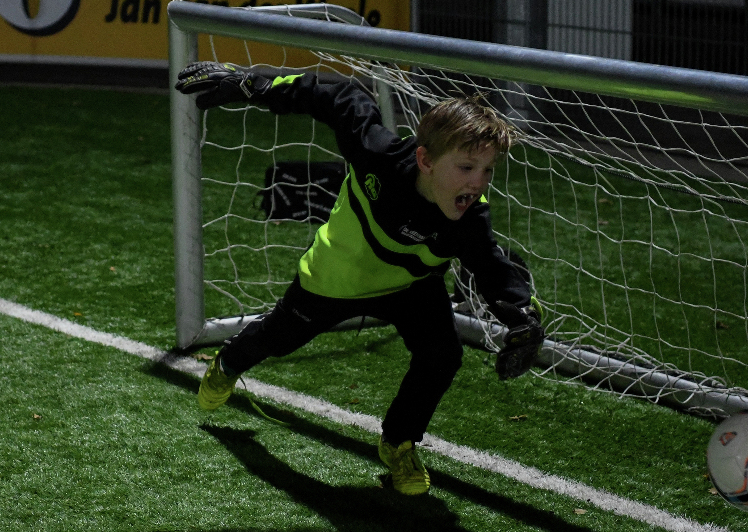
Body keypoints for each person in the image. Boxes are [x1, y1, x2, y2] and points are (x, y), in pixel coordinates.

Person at [174, 62, 544, 496]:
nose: (477, 184)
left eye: (487, 171)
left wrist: (523, 317)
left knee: (442, 355)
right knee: (279, 338)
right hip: (337, 277)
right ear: (425, 159)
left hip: (411, 285)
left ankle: (399, 443)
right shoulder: (378, 155)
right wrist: (251, 83)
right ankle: (229, 362)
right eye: (466, 167)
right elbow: (337, 96)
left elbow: (493, 269)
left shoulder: (470, 217)